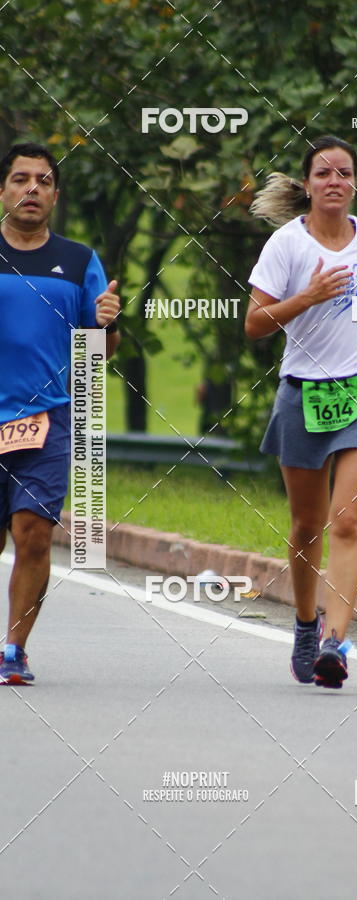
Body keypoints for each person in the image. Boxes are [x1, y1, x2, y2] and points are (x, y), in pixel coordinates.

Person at [245, 135, 357, 688]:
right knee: (305, 526)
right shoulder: (286, 246)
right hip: (303, 394)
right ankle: (306, 622)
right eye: (323, 173)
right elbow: (255, 324)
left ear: (354, 182)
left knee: (346, 521)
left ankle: (336, 643)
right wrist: (307, 297)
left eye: (344, 172)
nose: (334, 180)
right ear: (308, 185)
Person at [0, 142, 121, 685]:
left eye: (43, 181)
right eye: (20, 179)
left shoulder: (78, 262)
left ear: (54, 195)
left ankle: (13, 650)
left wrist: (105, 323)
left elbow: (99, 353)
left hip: (46, 421)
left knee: (33, 533)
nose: (31, 189)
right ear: (2, 190)